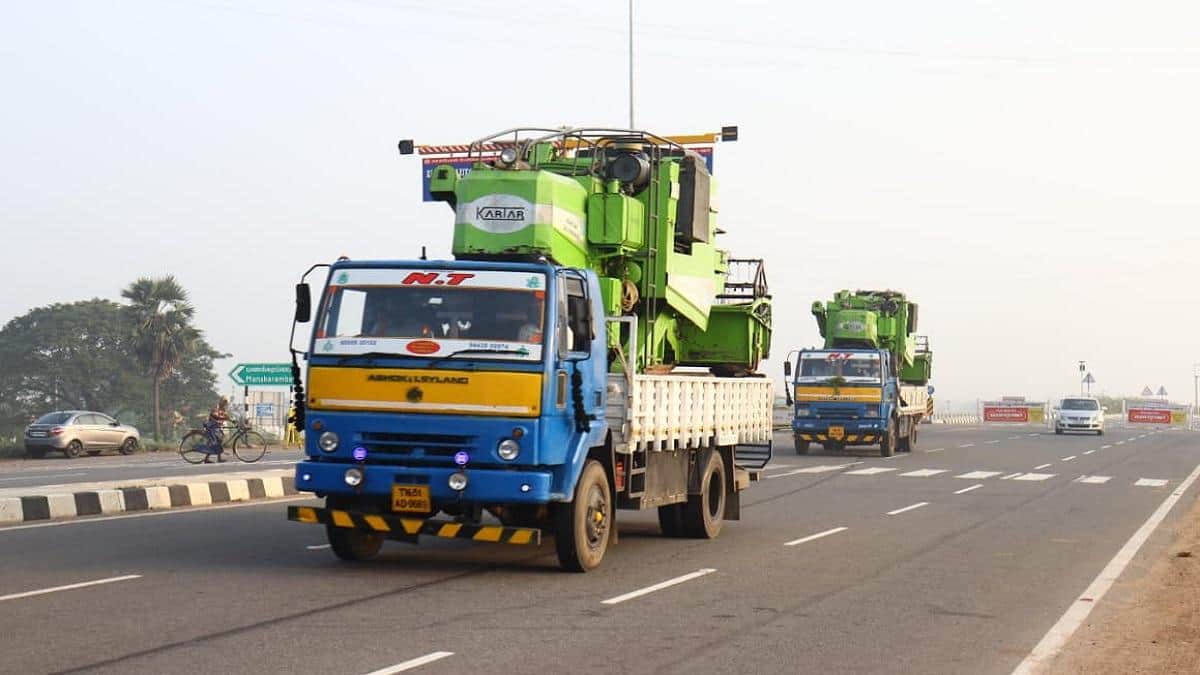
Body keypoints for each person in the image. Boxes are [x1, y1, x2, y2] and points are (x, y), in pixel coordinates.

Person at [204, 397, 233, 463]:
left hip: (218, 427)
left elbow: (226, 416)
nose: (225, 403)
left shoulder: (223, 409)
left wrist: (232, 420)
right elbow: (213, 415)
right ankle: (207, 459)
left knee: (219, 442)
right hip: (212, 427)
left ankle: (219, 458)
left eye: (226, 402)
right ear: (221, 401)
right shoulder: (216, 407)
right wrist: (221, 418)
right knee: (213, 443)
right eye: (224, 401)